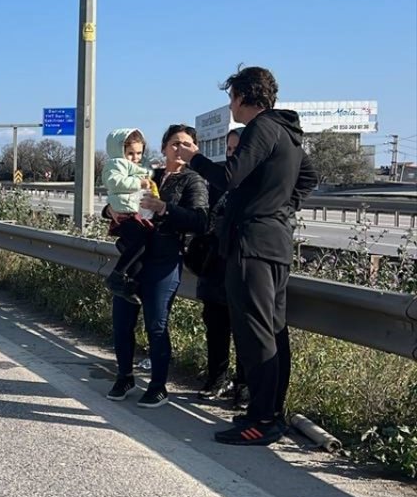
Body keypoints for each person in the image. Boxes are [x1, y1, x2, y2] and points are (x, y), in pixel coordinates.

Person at [180, 65, 318, 446]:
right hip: (276, 245)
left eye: (231, 98)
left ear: (243, 96)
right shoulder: (289, 134)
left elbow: (229, 176)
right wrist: (280, 209)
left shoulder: (261, 127)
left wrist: (194, 159)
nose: (230, 106)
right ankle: (270, 411)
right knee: (273, 330)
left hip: (251, 245)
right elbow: (309, 178)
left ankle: (262, 420)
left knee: (255, 334)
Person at [105, 125, 209, 408]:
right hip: (134, 259)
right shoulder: (147, 173)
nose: (179, 149)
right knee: (121, 321)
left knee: (156, 324)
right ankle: (124, 375)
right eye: (174, 143)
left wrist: (165, 209)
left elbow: (200, 220)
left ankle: (158, 385)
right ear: (163, 147)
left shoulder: (193, 181)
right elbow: (118, 196)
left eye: (186, 144)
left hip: (164, 261)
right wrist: (108, 210)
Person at [195, 128, 245, 404]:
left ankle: (244, 383)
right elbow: (204, 215)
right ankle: (217, 378)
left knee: (244, 329)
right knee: (215, 324)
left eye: (237, 149)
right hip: (216, 263)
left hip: (244, 263)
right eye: (229, 149)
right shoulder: (218, 179)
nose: (232, 154)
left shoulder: (256, 180)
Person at [102, 129, 157, 302]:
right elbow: (114, 182)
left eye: (139, 153)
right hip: (125, 212)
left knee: (141, 245)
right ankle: (116, 276)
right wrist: (139, 182)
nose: (135, 157)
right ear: (121, 152)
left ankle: (129, 284)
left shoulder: (144, 166)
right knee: (140, 243)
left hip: (137, 211)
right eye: (130, 153)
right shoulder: (115, 164)